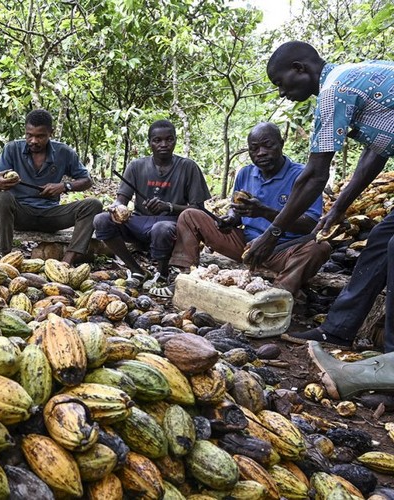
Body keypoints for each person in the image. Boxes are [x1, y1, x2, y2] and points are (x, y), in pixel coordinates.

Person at [248, 41, 394, 350]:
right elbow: (377, 151)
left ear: (299, 69)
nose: (281, 92)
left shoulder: (333, 91)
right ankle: (337, 330)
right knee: (381, 242)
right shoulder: (351, 76)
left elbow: (314, 176)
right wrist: (339, 207)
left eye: (280, 82)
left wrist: (273, 234)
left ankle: (391, 357)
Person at [169, 122, 332, 296]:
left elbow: (309, 225)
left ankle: (277, 295)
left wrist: (265, 212)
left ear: (281, 143)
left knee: (320, 248)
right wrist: (231, 218)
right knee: (190, 216)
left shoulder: (302, 176)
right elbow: (236, 209)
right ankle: (184, 277)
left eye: (268, 145)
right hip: (247, 246)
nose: (261, 153)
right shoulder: (245, 173)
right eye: (254, 149)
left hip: (284, 250)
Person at [93, 119, 210, 293]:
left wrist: (169, 207)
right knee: (101, 220)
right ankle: (136, 270)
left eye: (169, 139)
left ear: (175, 140)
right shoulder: (136, 166)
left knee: (161, 228)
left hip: (171, 224)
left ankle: (162, 274)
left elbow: (198, 209)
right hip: (139, 221)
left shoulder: (188, 167)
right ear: (150, 143)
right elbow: (121, 200)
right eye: (157, 140)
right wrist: (116, 208)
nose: (163, 144)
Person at [0, 109, 102, 265]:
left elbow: (87, 180)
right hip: (21, 214)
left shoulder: (63, 152)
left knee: (94, 205)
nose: (33, 141)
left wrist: (64, 186)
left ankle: (67, 261)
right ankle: (6, 257)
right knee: (2, 197)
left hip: (51, 215)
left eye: (40, 136)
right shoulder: (12, 149)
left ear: (51, 133)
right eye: (29, 135)